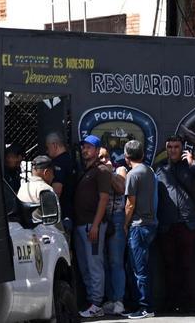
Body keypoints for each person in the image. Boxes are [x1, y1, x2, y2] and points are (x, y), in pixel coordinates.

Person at [156, 136, 195, 313]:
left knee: (187, 265)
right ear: (166, 149)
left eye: (176, 147)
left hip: (187, 223)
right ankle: (171, 303)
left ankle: (187, 304)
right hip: (167, 224)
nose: (173, 150)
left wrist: (193, 164)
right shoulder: (160, 170)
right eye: (170, 147)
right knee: (169, 265)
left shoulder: (190, 168)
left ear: (182, 149)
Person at [74, 134, 113, 319]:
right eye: (84, 147)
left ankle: (97, 303)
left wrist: (96, 225)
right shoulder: (86, 170)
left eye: (89, 147)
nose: (85, 150)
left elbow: (104, 198)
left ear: (97, 151)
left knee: (94, 264)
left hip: (93, 225)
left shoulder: (102, 170)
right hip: (80, 225)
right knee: (84, 265)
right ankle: (91, 301)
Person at [122, 140, 157, 321]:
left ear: (127, 157)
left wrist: (125, 224)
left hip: (138, 225)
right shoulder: (149, 171)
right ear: (142, 155)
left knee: (139, 269)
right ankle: (140, 305)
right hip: (150, 224)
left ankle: (145, 307)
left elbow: (130, 204)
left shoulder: (132, 174)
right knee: (138, 267)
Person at [103, 149, 129, 316]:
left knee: (116, 261)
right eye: (100, 158)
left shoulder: (119, 169)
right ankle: (110, 298)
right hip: (100, 219)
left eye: (106, 157)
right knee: (103, 262)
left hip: (117, 218)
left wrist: (109, 172)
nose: (103, 160)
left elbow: (120, 188)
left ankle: (119, 300)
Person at [45, 132, 75, 230]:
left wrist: (50, 212)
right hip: (71, 211)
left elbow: (57, 190)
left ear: (54, 145)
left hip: (61, 215)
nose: (47, 151)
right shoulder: (71, 159)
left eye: (48, 147)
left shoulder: (59, 163)